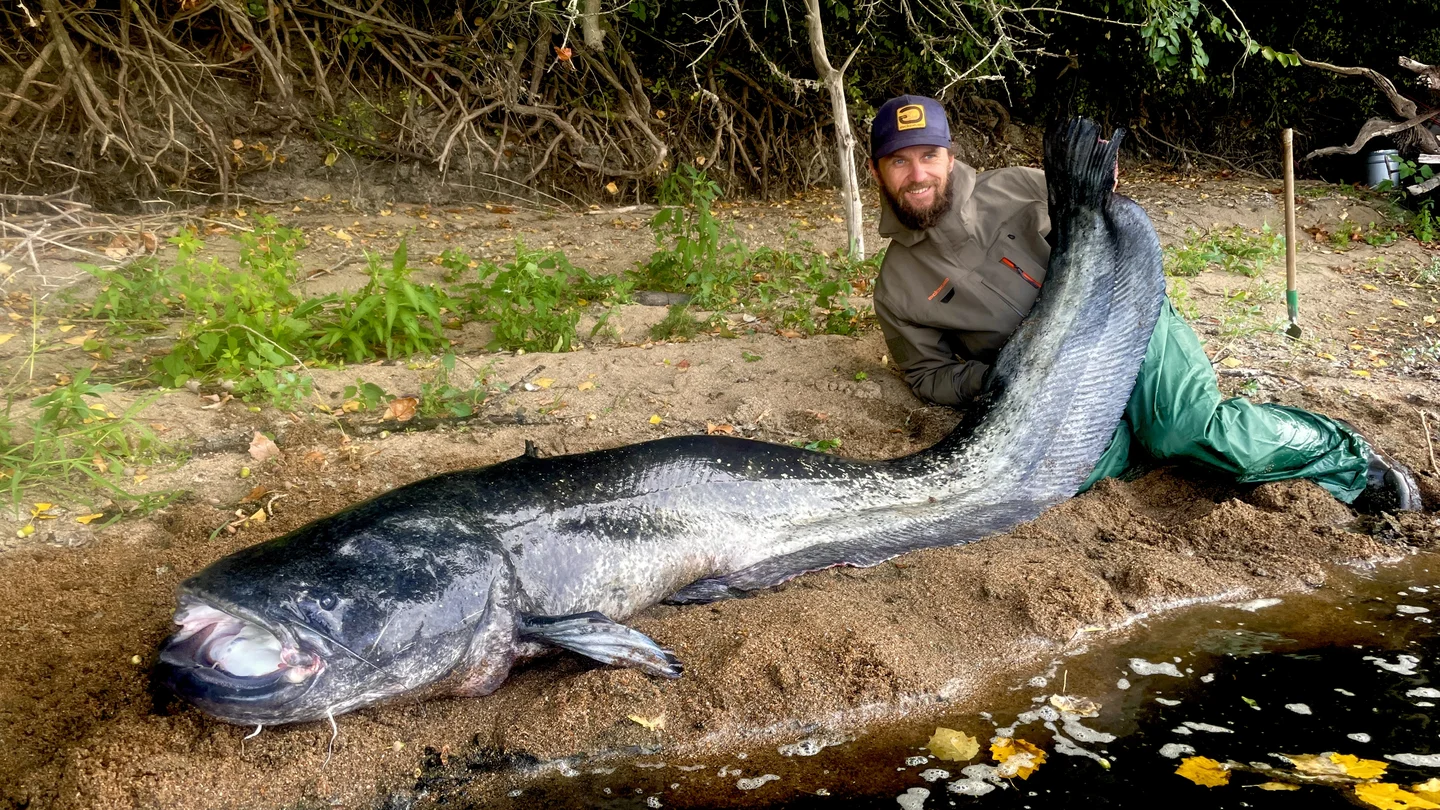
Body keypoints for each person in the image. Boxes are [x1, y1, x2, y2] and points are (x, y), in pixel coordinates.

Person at [868, 95, 1422, 512]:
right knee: (1070, 476)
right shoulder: (896, 287)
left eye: (929, 156)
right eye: (899, 161)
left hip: (1128, 320)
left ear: (950, 157)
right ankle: (1148, 439)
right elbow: (927, 374)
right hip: (1052, 388)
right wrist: (993, 378)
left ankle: (1352, 462)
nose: (918, 175)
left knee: (1188, 431)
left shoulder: (1018, 185)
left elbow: (1110, 219)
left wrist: (1106, 185)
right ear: (877, 171)